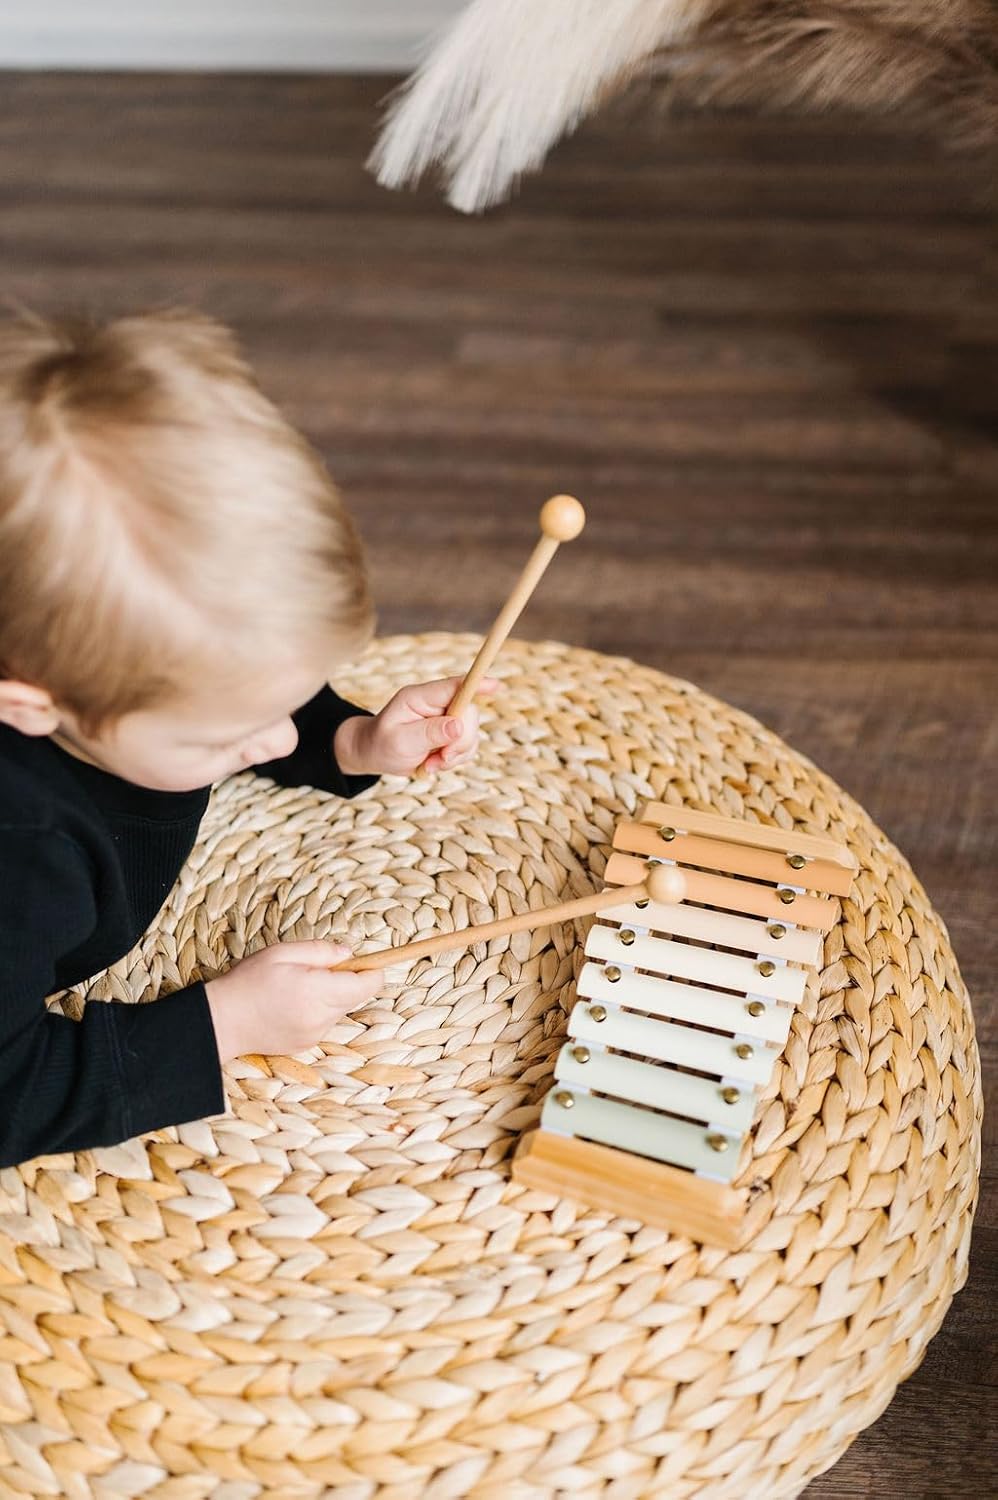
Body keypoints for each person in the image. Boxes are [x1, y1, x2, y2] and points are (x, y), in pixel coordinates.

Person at [0, 309, 489, 1169]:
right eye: (224, 735)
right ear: (33, 707)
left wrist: (350, 740)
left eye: (291, 701)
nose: (273, 741)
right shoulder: (21, 857)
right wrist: (223, 1025)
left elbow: (258, 706)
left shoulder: (105, 673)